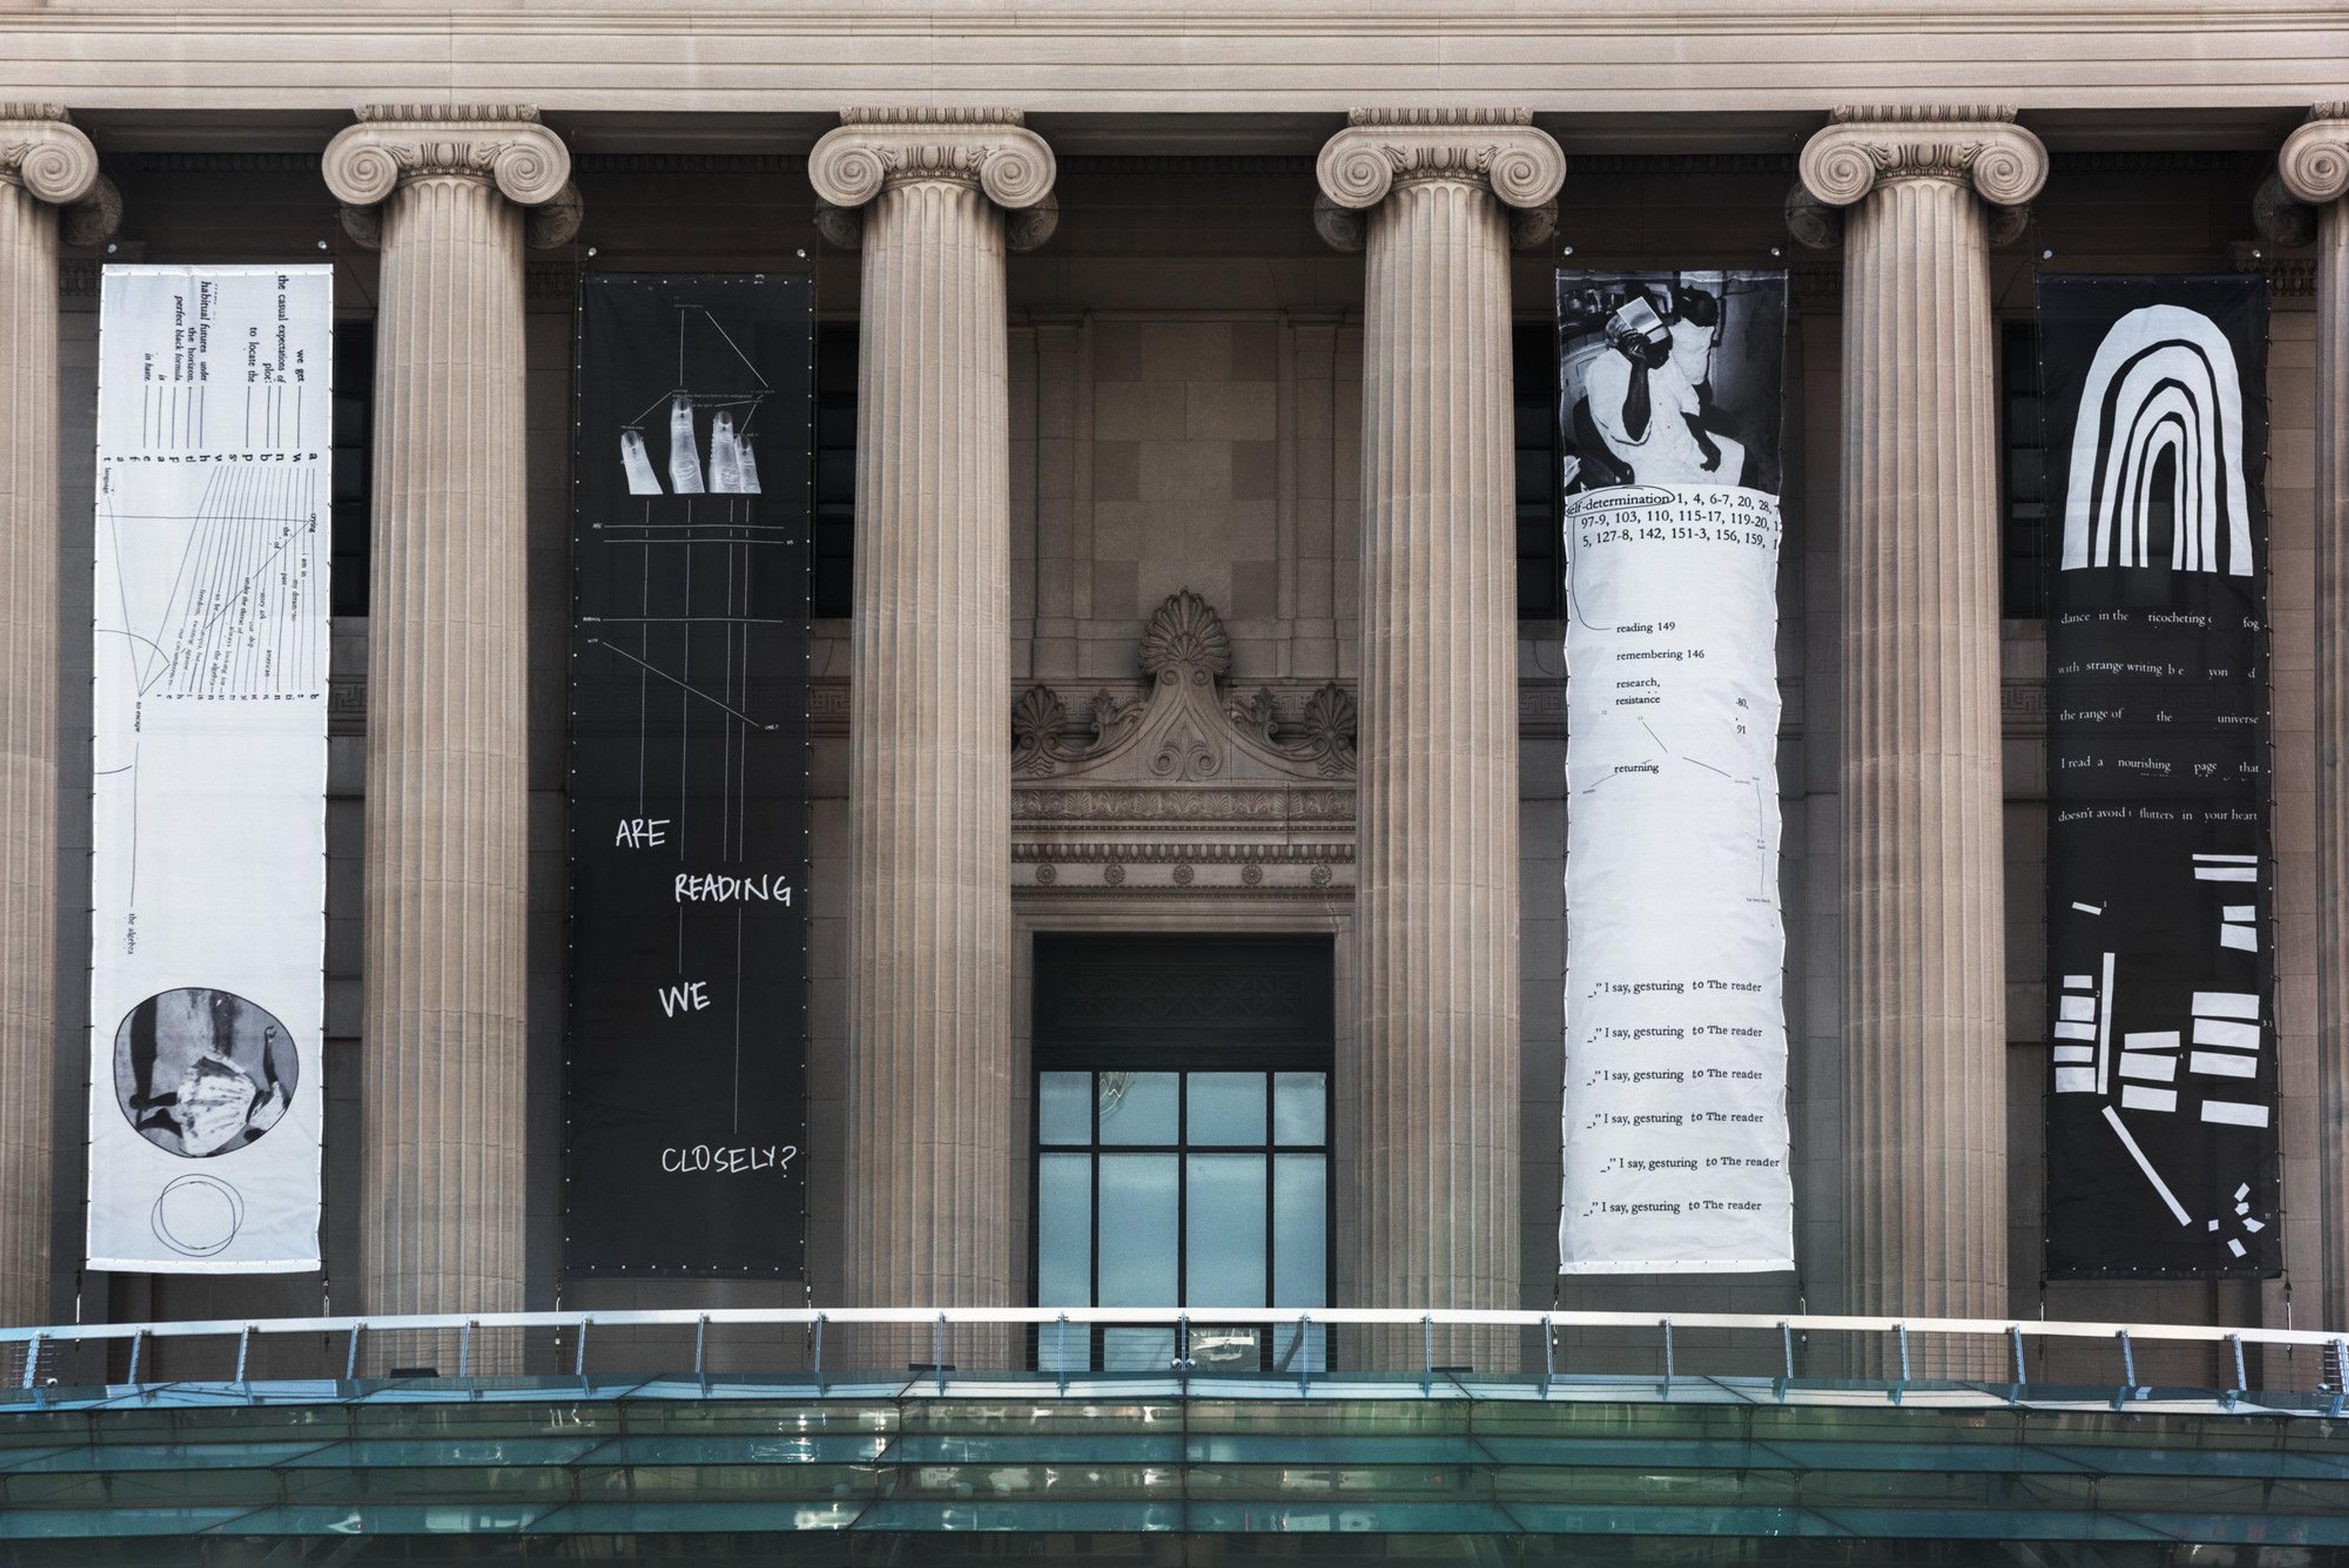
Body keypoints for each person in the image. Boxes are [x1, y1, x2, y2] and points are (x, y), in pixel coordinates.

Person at [1576, 281, 1747, 489]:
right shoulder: (1603, 371)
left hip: (1685, 440)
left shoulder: (1662, 355)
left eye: (1667, 350)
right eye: (1658, 353)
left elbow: (1688, 397)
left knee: (1745, 460)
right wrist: (1640, 366)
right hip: (1650, 464)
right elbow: (1633, 433)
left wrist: (1702, 439)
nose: (1666, 358)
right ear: (1633, 351)